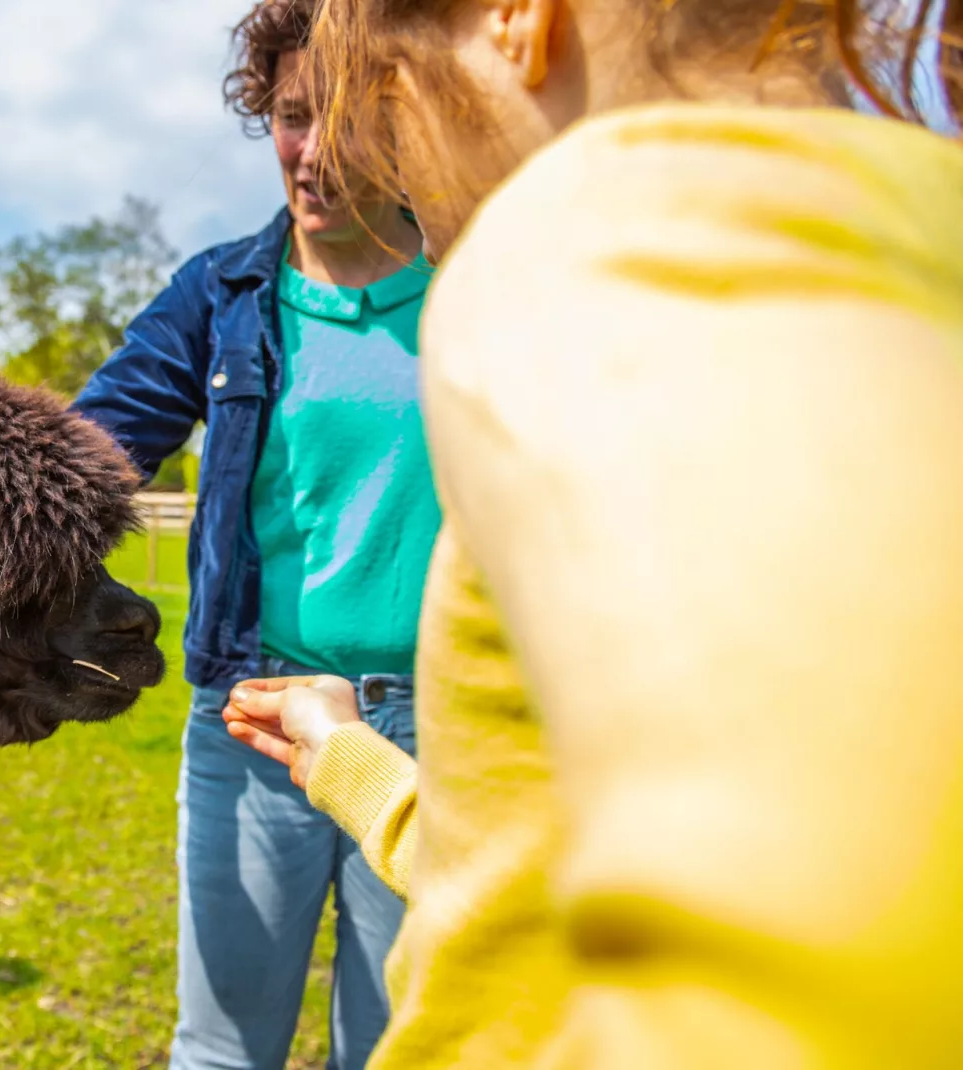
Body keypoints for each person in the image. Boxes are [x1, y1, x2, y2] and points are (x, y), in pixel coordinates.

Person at [218, 0, 963, 1065]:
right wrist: (346, 755)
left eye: (383, 97)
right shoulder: (908, 248)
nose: (380, 169)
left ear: (521, 18)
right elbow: (539, 863)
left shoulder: (586, 253)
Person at [71, 1, 439, 1063]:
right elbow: (86, 451)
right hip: (254, 719)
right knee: (222, 1047)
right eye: (289, 115)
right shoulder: (221, 292)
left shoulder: (480, 287)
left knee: (400, 1047)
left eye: (348, 119)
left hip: (438, 740)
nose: (311, 151)